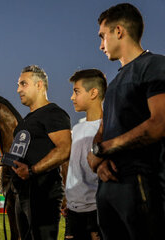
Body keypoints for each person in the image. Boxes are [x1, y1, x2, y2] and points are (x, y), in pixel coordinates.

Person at [87, 3, 165, 239]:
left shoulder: (154, 65)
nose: (100, 45)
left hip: (141, 185)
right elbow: (101, 133)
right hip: (108, 186)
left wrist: (104, 149)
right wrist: (99, 164)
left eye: (103, 36)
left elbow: (159, 124)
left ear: (118, 31)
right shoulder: (113, 83)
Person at [0, 65, 71, 240]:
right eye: (18, 84)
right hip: (22, 195)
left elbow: (65, 149)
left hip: (43, 194)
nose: (18, 89)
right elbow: (15, 157)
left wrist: (32, 170)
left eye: (23, 84)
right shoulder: (26, 121)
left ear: (39, 85)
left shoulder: (54, 113)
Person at [64, 69, 107, 240]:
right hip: (73, 211)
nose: (72, 98)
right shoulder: (77, 128)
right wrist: (70, 198)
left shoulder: (106, 128)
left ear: (94, 93)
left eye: (76, 91)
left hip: (97, 211)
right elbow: (75, 169)